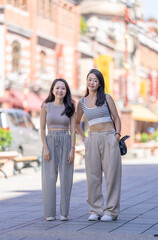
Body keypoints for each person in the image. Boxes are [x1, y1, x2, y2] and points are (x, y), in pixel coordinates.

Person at [76, 69, 122, 222]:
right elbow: (76, 123)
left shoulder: (107, 98)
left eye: (95, 80)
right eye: (90, 79)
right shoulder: (82, 102)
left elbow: (116, 118)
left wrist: (116, 136)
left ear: (100, 83)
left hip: (109, 137)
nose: (92, 82)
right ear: (86, 81)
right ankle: (95, 209)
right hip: (93, 139)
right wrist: (85, 139)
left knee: (112, 175)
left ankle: (111, 211)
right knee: (93, 176)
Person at [40, 78, 75, 221]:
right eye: (57, 88)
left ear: (66, 91)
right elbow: (42, 129)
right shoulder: (46, 106)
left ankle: (64, 213)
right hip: (50, 140)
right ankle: (50, 213)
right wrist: (45, 148)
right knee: (49, 178)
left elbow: (73, 130)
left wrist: (72, 149)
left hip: (66, 140)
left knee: (66, 177)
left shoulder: (70, 107)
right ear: (52, 90)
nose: (60, 90)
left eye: (63, 88)